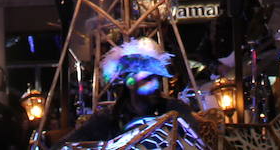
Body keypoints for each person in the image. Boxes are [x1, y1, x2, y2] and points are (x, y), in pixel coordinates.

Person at [59, 38, 201, 144]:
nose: (156, 85)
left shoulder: (174, 110)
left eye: (156, 78)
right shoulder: (110, 117)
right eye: (148, 79)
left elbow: (196, 137)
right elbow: (69, 143)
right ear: (131, 83)